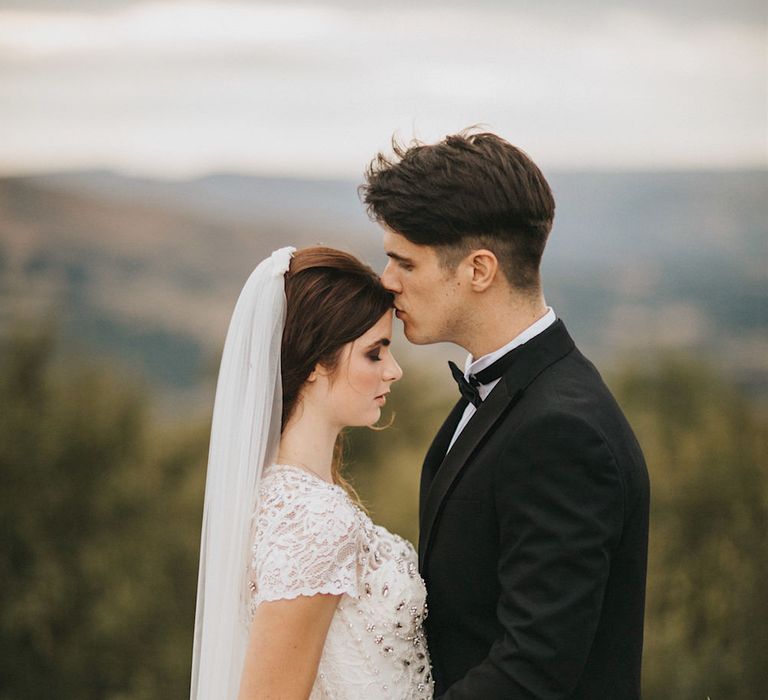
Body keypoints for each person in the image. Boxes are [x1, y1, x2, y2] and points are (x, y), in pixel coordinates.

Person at [361, 131, 650, 699]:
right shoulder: (514, 391)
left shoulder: (562, 432)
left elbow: (532, 670)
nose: (387, 280)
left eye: (404, 262)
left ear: (478, 270)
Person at [190, 247, 434, 700]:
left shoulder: (294, 497)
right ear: (318, 362)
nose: (394, 371)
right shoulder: (312, 521)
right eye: (374, 354)